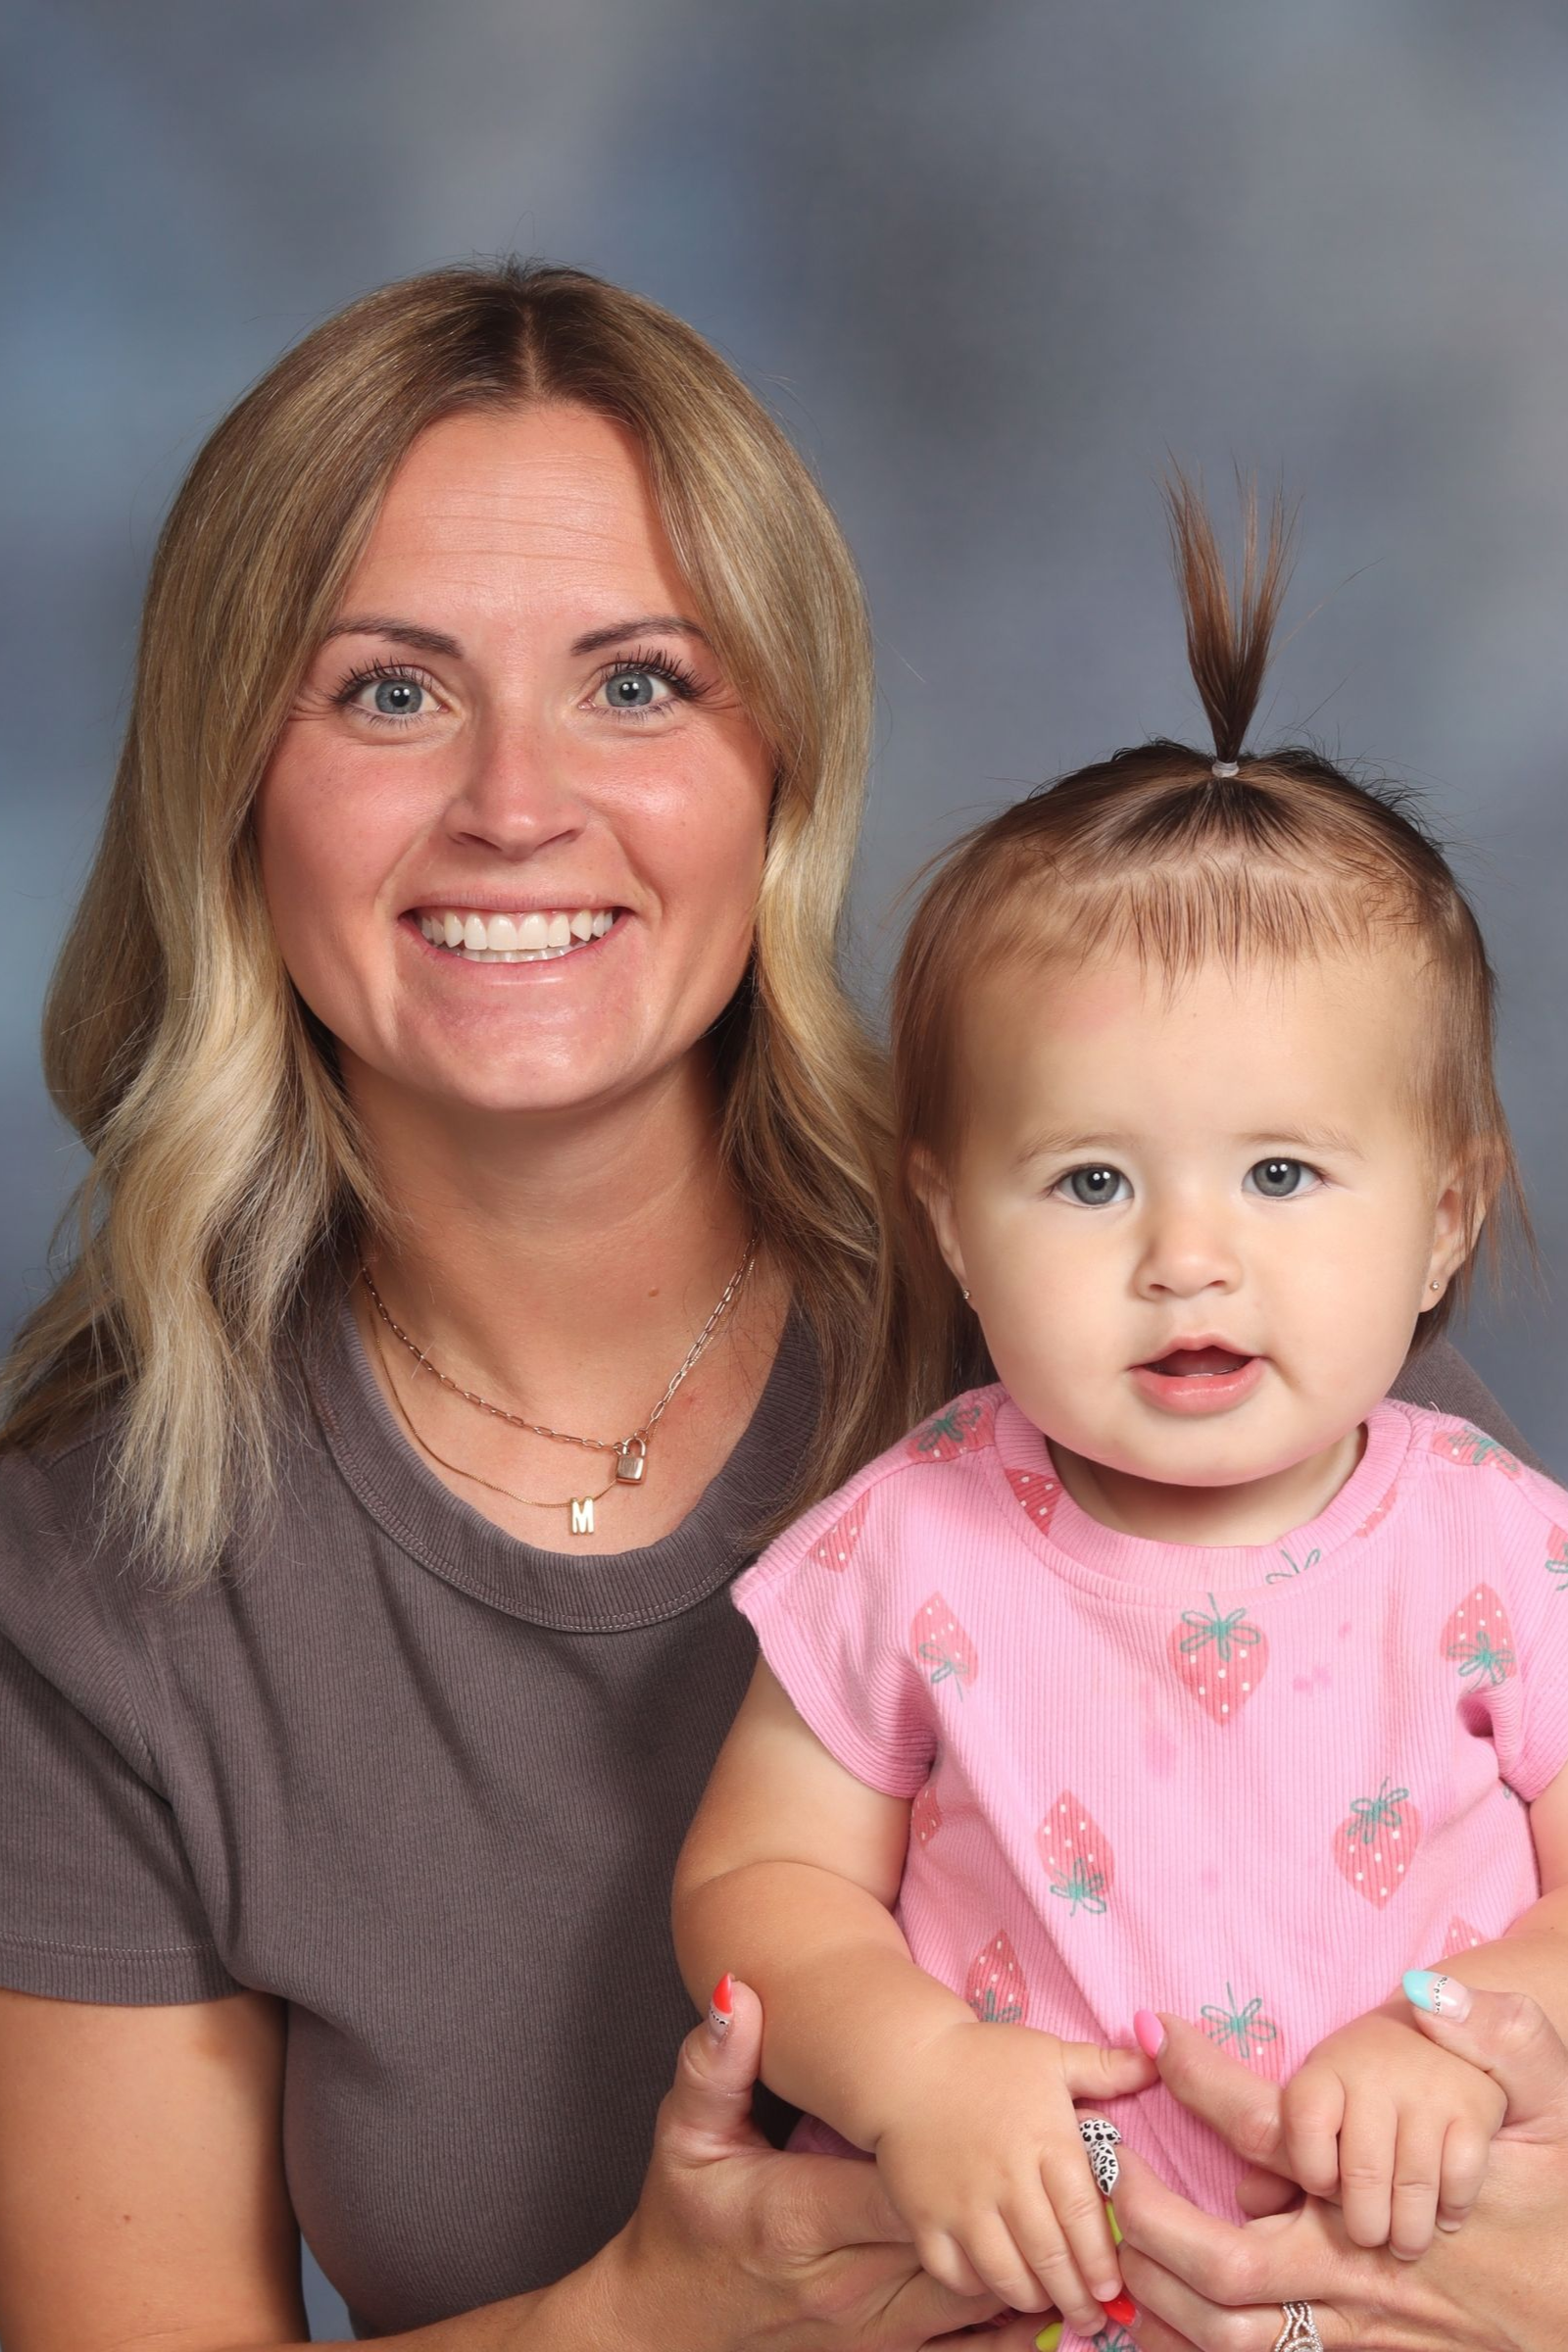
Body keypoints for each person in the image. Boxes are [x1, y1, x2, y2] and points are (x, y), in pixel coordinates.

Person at [0, 265, 1538, 2348]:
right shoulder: (98, 1578)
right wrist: (633, 2329)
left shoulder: (1166, 1302)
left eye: (635, 682)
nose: (513, 799)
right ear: (224, 784)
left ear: (782, 764)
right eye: (386, 690)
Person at [672, 482, 1568, 2352]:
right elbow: (756, 1882)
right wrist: (914, 2067)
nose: (1188, 1260)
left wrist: (1470, 2030)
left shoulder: (1502, 1546)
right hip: (1011, 2309)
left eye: (1284, 1175)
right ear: (948, 1224)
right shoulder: (905, 1545)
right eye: (1089, 1185)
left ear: (1447, 1221)